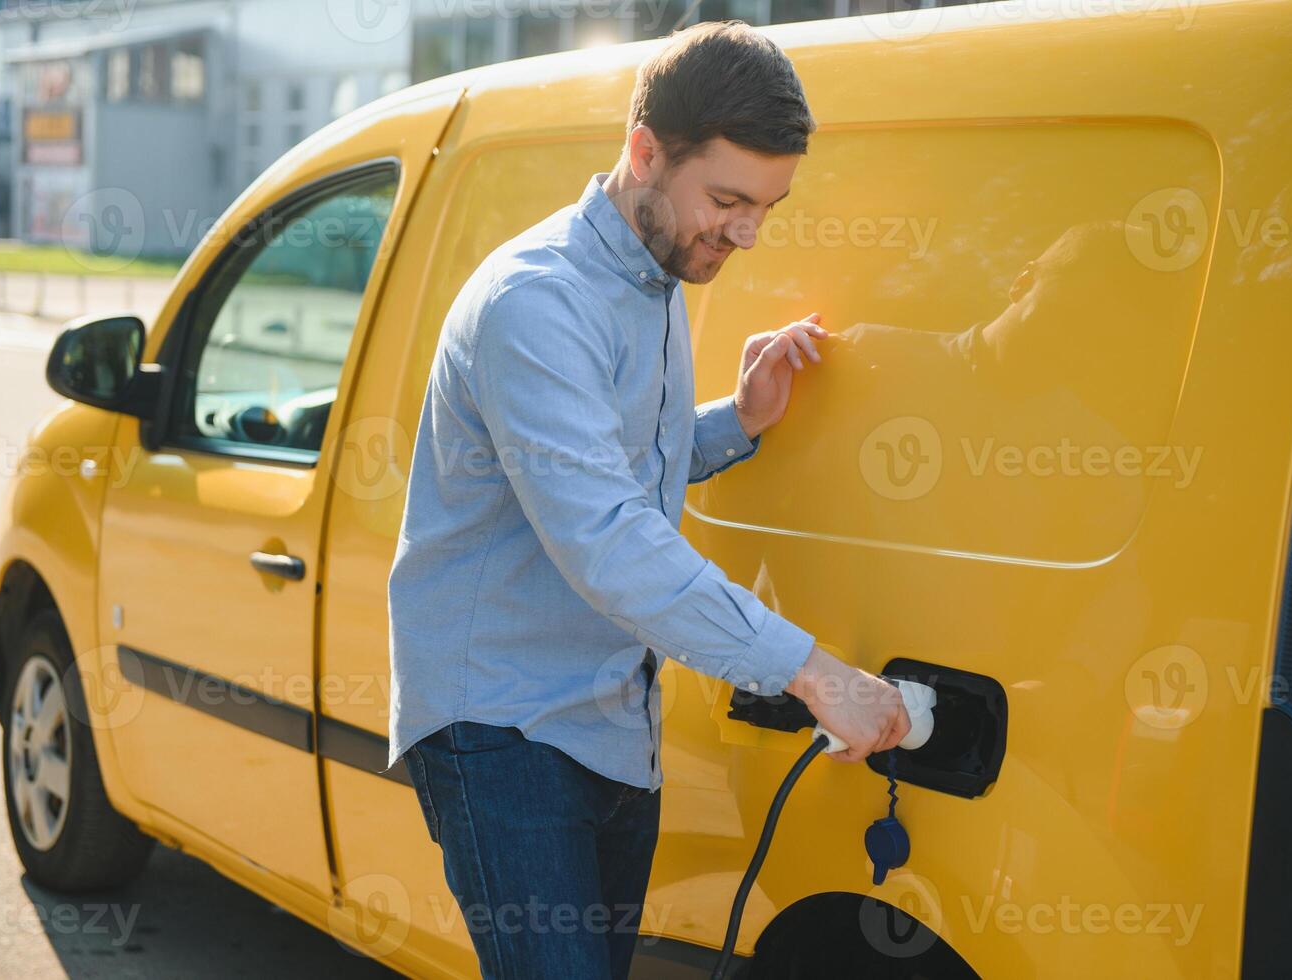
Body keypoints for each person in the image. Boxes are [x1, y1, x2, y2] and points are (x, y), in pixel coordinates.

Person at [386, 21, 910, 980]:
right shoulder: (534, 303)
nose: (746, 233)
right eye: (727, 200)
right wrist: (814, 673)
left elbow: (609, 465)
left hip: (613, 725)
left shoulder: (655, 269)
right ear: (642, 153)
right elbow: (608, 538)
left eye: (767, 206)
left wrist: (735, 424)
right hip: (503, 727)